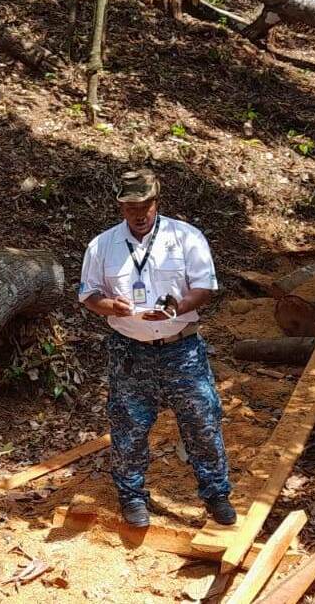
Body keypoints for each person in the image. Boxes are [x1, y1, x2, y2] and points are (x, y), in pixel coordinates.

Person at [78, 168, 234, 528]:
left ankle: (216, 494)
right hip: (130, 351)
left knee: (202, 420)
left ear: (156, 202)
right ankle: (132, 496)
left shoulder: (186, 237)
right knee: (129, 424)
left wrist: (177, 307)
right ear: (120, 207)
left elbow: (205, 288)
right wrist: (109, 306)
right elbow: (88, 294)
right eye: (131, 207)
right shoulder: (102, 246)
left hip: (182, 348)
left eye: (145, 206)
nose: (138, 214)